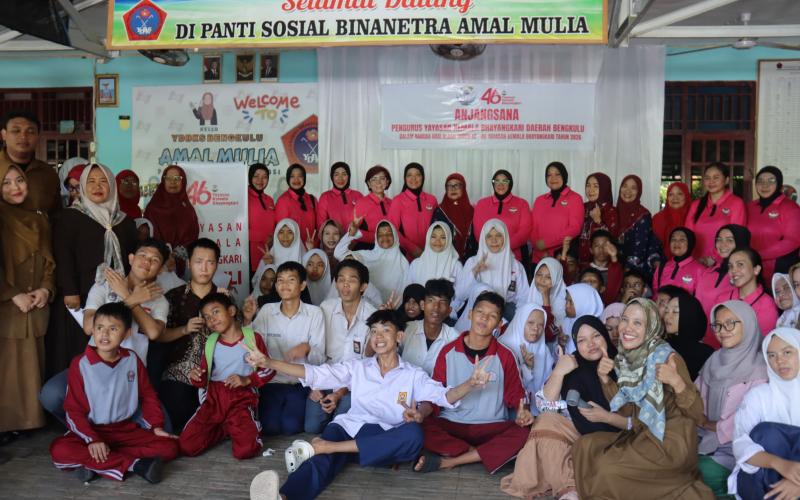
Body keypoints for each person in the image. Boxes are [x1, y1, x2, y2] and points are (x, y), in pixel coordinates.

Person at [246, 309, 493, 500]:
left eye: (385, 330)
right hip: (349, 429)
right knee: (320, 461)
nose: (378, 337)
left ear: (399, 336)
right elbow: (315, 373)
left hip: (382, 438)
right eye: (374, 331)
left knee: (413, 435)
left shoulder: (413, 374)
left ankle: (330, 448)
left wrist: (470, 384)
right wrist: (269, 362)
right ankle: (284, 497)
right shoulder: (358, 367)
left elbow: (445, 396)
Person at [572, 298, 714, 499]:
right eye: (625, 320)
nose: (627, 328)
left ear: (651, 327)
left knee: (609, 468)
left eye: (637, 323)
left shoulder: (668, 358)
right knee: (584, 447)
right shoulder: (627, 358)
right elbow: (628, 411)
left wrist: (677, 382)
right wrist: (605, 379)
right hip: (642, 433)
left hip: (671, 441)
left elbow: (697, 413)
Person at [49, 303, 179, 483]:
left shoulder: (132, 359)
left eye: (113, 329)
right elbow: (73, 410)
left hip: (125, 430)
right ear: (93, 330)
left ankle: (99, 463)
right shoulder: (80, 364)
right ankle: (136, 465)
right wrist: (92, 440)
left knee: (169, 447)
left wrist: (156, 426)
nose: (104, 334)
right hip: (93, 430)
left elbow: (148, 396)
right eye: (99, 328)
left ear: (126, 334)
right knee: (59, 450)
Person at [501, 316, 625, 500]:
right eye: (582, 340)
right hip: (579, 428)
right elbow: (546, 404)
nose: (590, 344)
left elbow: (632, 415)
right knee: (545, 421)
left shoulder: (623, 363)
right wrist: (559, 371)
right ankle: (568, 488)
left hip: (616, 432)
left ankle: (570, 483)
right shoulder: (573, 363)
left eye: (596, 336)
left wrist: (606, 382)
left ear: (605, 336)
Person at [413, 291, 532, 474]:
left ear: (499, 324)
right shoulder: (448, 352)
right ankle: (477, 453)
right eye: (480, 312)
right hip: (452, 424)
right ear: (470, 314)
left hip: (491, 426)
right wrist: (420, 413)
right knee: (416, 427)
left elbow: (517, 396)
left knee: (525, 432)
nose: (484, 318)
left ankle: (451, 460)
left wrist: (522, 412)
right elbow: (435, 395)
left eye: (492, 316)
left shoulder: (506, 355)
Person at [48, 163, 138, 377]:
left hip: (115, 298)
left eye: (103, 181)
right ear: (82, 186)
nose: (97, 187)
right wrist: (70, 290)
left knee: (110, 350)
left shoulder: (124, 222)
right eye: (91, 182)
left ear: (112, 186)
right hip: (79, 298)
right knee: (78, 352)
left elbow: (132, 259)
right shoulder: (69, 217)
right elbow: (63, 255)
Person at [179, 293, 274, 459]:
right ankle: (225, 428)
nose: (212, 320)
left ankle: (241, 428)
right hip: (214, 398)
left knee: (245, 451)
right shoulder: (210, 342)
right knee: (187, 446)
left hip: (241, 398)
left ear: (231, 311)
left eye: (216, 312)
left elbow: (270, 369)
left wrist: (247, 380)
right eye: (207, 317)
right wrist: (196, 376)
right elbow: (203, 378)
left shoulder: (252, 338)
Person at [0, 163, 54, 439]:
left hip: (34, 304)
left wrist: (46, 289)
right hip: (8, 306)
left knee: (30, 366)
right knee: (7, 368)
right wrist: (11, 294)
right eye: (6, 182)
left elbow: (50, 262)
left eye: (19, 180)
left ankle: (27, 422)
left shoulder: (39, 218)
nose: (15, 188)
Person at [694, 301, 768, 498]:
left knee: (698, 473)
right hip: (703, 438)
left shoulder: (761, 367)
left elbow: (751, 417)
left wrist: (709, 424)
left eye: (730, 323)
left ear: (748, 323)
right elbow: (696, 395)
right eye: (717, 325)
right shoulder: (714, 359)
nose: (722, 331)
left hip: (738, 449)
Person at [245, 261, 325, 436]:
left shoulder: (315, 313)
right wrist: (247, 320)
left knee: (291, 427)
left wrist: (307, 348)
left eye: (291, 280)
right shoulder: (267, 311)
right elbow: (252, 347)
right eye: (280, 280)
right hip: (272, 382)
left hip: (300, 383)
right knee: (269, 427)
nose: (284, 285)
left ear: (302, 285)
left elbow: (319, 358)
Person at [154, 238, 220, 432]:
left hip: (216, 373)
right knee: (181, 422)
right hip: (179, 372)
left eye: (210, 262)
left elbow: (236, 337)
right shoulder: (173, 296)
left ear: (216, 265)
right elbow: (158, 336)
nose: (204, 268)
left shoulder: (224, 297)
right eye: (199, 262)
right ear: (189, 263)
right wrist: (184, 329)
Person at [728, 327, 800, 500]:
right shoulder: (758, 396)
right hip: (762, 479)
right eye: (772, 355)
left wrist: (796, 482)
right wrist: (781, 465)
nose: (779, 361)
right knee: (765, 433)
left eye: (787, 352)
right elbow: (740, 443)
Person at [308, 260, 377, 434]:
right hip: (326, 376)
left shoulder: (372, 315)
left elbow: (368, 363)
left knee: (339, 427)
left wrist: (339, 393)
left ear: (363, 286)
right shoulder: (325, 308)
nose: (345, 285)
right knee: (311, 427)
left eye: (352, 280)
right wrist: (314, 385)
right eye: (341, 279)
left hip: (354, 384)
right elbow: (315, 348)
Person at [455, 218, 530, 318]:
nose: (494, 240)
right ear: (483, 239)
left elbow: (524, 298)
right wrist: (475, 271)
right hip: (477, 312)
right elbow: (460, 295)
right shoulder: (473, 262)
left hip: (506, 312)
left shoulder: (516, 266)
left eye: (498, 235)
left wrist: (516, 320)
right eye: (489, 236)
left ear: (505, 238)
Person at [695, 224, 752, 348]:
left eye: (729, 240)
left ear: (740, 242)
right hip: (700, 339)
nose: (722, 244)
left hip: (726, 342)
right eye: (719, 240)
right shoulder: (708, 271)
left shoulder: (744, 277)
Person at [685, 163, 747, 266]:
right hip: (696, 262)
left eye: (716, 177)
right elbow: (688, 235)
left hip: (723, 262)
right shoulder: (696, 205)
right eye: (707, 178)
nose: (711, 181)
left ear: (726, 180)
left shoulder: (736, 203)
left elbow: (737, 237)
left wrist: (713, 258)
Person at [0, 111, 61, 214]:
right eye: (16, 131)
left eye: (31, 131)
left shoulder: (48, 173)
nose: (23, 136)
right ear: (3, 134)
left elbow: (57, 214)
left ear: (38, 136)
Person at [144, 165, 199, 276]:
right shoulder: (153, 208)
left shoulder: (187, 209)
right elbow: (148, 236)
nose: (172, 182)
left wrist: (175, 255)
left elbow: (192, 235)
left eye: (177, 178)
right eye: (168, 178)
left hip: (182, 264)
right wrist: (164, 256)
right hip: (156, 265)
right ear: (163, 181)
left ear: (183, 182)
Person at [335, 219, 408, 303]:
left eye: (389, 234)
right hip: (367, 307)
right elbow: (338, 254)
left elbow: (405, 292)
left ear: (395, 236)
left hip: (394, 308)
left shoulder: (403, 263)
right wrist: (351, 234)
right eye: (380, 235)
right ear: (376, 238)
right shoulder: (367, 256)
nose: (385, 237)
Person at [747, 166, 800, 281]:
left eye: (771, 181)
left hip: (780, 269)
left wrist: (759, 255)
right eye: (760, 181)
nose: (764, 185)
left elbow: (793, 241)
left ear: (779, 184)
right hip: (752, 267)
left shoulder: (790, 207)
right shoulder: (750, 206)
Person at [498, 303, 554, 407]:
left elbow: (549, 384)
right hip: (510, 407)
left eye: (541, 325)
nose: (536, 328)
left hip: (539, 407)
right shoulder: (503, 346)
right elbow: (504, 389)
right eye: (531, 323)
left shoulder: (543, 349)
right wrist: (527, 368)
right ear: (520, 321)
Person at [400, 279, 459, 376]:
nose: (436, 307)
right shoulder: (407, 329)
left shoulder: (455, 339)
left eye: (442, 302)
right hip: (403, 385)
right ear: (422, 305)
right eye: (431, 300)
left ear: (449, 310)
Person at [718, 247, 778, 338]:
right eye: (730, 266)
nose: (733, 270)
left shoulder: (767, 305)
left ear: (756, 269)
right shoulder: (721, 299)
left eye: (740, 264)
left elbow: (763, 342)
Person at [472, 170, 531, 261]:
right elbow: (478, 233)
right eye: (497, 181)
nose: (500, 184)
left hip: (515, 258)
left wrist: (503, 247)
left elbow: (524, 232)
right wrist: (493, 247)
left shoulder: (522, 204)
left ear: (510, 183)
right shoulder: (481, 204)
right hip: (487, 258)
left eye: (505, 181)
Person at [530, 162, 584, 263]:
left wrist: (546, 243)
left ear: (564, 176)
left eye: (557, 174)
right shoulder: (539, 200)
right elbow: (532, 227)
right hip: (538, 257)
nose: (553, 178)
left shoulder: (575, 198)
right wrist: (539, 250)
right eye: (549, 175)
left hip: (562, 256)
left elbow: (575, 228)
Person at [616, 174, 662, 280]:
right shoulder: (613, 212)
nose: (628, 191)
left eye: (633, 188)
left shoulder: (643, 215)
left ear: (639, 192)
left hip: (634, 273)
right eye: (625, 186)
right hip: (613, 267)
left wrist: (625, 273)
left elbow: (639, 251)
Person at [387, 162, 438, 258]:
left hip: (432, 252)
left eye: (418, 175)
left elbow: (438, 226)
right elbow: (392, 229)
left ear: (423, 177)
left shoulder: (432, 199)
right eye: (409, 175)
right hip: (408, 255)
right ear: (405, 179)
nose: (413, 178)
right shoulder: (398, 200)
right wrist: (412, 248)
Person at [663, 291, 715, 380]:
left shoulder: (706, 354)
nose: (667, 316)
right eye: (666, 311)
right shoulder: (662, 345)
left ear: (689, 314)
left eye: (675, 311)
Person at [406, 221, 463, 287]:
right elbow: (409, 289)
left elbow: (460, 291)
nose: (437, 241)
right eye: (433, 237)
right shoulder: (416, 264)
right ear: (428, 238)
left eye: (443, 237)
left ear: (449, 240)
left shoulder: (456, 266)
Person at [578, 172, 618, 263]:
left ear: (604, 188)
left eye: (596, 186)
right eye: (588, 185)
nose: (590, 190)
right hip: (581, 261)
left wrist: (598, 221)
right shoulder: (582, 207)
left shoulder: (611, 211)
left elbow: (613, 239)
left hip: (602, 263)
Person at [652, 227, 705, 295]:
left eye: (682, 240)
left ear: (690, 243)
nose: (676, 243)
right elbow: (655, 294)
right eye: (673, 239)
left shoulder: (700, 270)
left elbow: (701, 298)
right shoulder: (661, 267)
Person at [275, 164, 318, 248]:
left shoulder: (312, 199)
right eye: (292, 176)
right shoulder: (283, 200)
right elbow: (281, 231)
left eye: (300, 176)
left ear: (304, 178)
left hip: (311, 248)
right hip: (293, 249)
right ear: (288, 179)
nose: (296, 180)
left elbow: (318, 227)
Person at [432, 173, 473, 258]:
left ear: (463, 188)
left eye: (457, 185)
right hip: (445, 258)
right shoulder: (439, 211)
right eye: (449, 186)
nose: (453, 189)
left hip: (469, 258)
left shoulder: (472, 211)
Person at [528, 258, 567, 345]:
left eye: (549, 277)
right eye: (539, 275)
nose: (542, 280)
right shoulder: (529, 296)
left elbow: (549, 335)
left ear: (557, 279)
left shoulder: (566, 302)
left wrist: (546, 299)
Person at [353, 165, 393, 248]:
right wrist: (380, 237)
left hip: (391, 248)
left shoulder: (393, 203)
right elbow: (354, 232)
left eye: (382, 178)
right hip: (369, 248)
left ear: (387, 182)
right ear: (369, 184)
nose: (378, 182)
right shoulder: (361, 203)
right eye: (374, 179)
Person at [316, 161, 363, 232]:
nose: (340, 178)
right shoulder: (325, 197)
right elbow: (321, 226)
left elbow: (364, 221)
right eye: (336, 174)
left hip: (356, 238)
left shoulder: (358, 195)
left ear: (349, 176)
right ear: (332, 177)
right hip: (334, 238)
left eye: (344, 174)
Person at [581, 230, 623, 304]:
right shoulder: (583, 268)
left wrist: (613, 256)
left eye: (605, 246)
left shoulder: (616, 269)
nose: (601, 249)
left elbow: (613, 292)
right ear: (591, 250)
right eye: (597, 246)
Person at [248, 163, 276, 273]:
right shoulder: (244, 197)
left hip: (269, 250)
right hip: (250, 252)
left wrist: (272, 237)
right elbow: (239, 228)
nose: (260, 180)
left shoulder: (269, 200)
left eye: (264, 177)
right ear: (250, 177)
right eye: (256, 176)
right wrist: (264, 237)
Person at [561, 283, 605, 354]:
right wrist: (561, 345)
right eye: (566, 301)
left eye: (571, 302)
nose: (566, 306)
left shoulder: (597, 326)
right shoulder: (566, 322)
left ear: (584, 303)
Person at [653, 181, 692, 260]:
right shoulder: (658, 218)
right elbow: (653, 246)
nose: (675, 198)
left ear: (686, 196)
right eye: (671, 194)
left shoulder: (694, 217)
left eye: (679, 194)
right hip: (663, 263)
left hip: (691, 262)